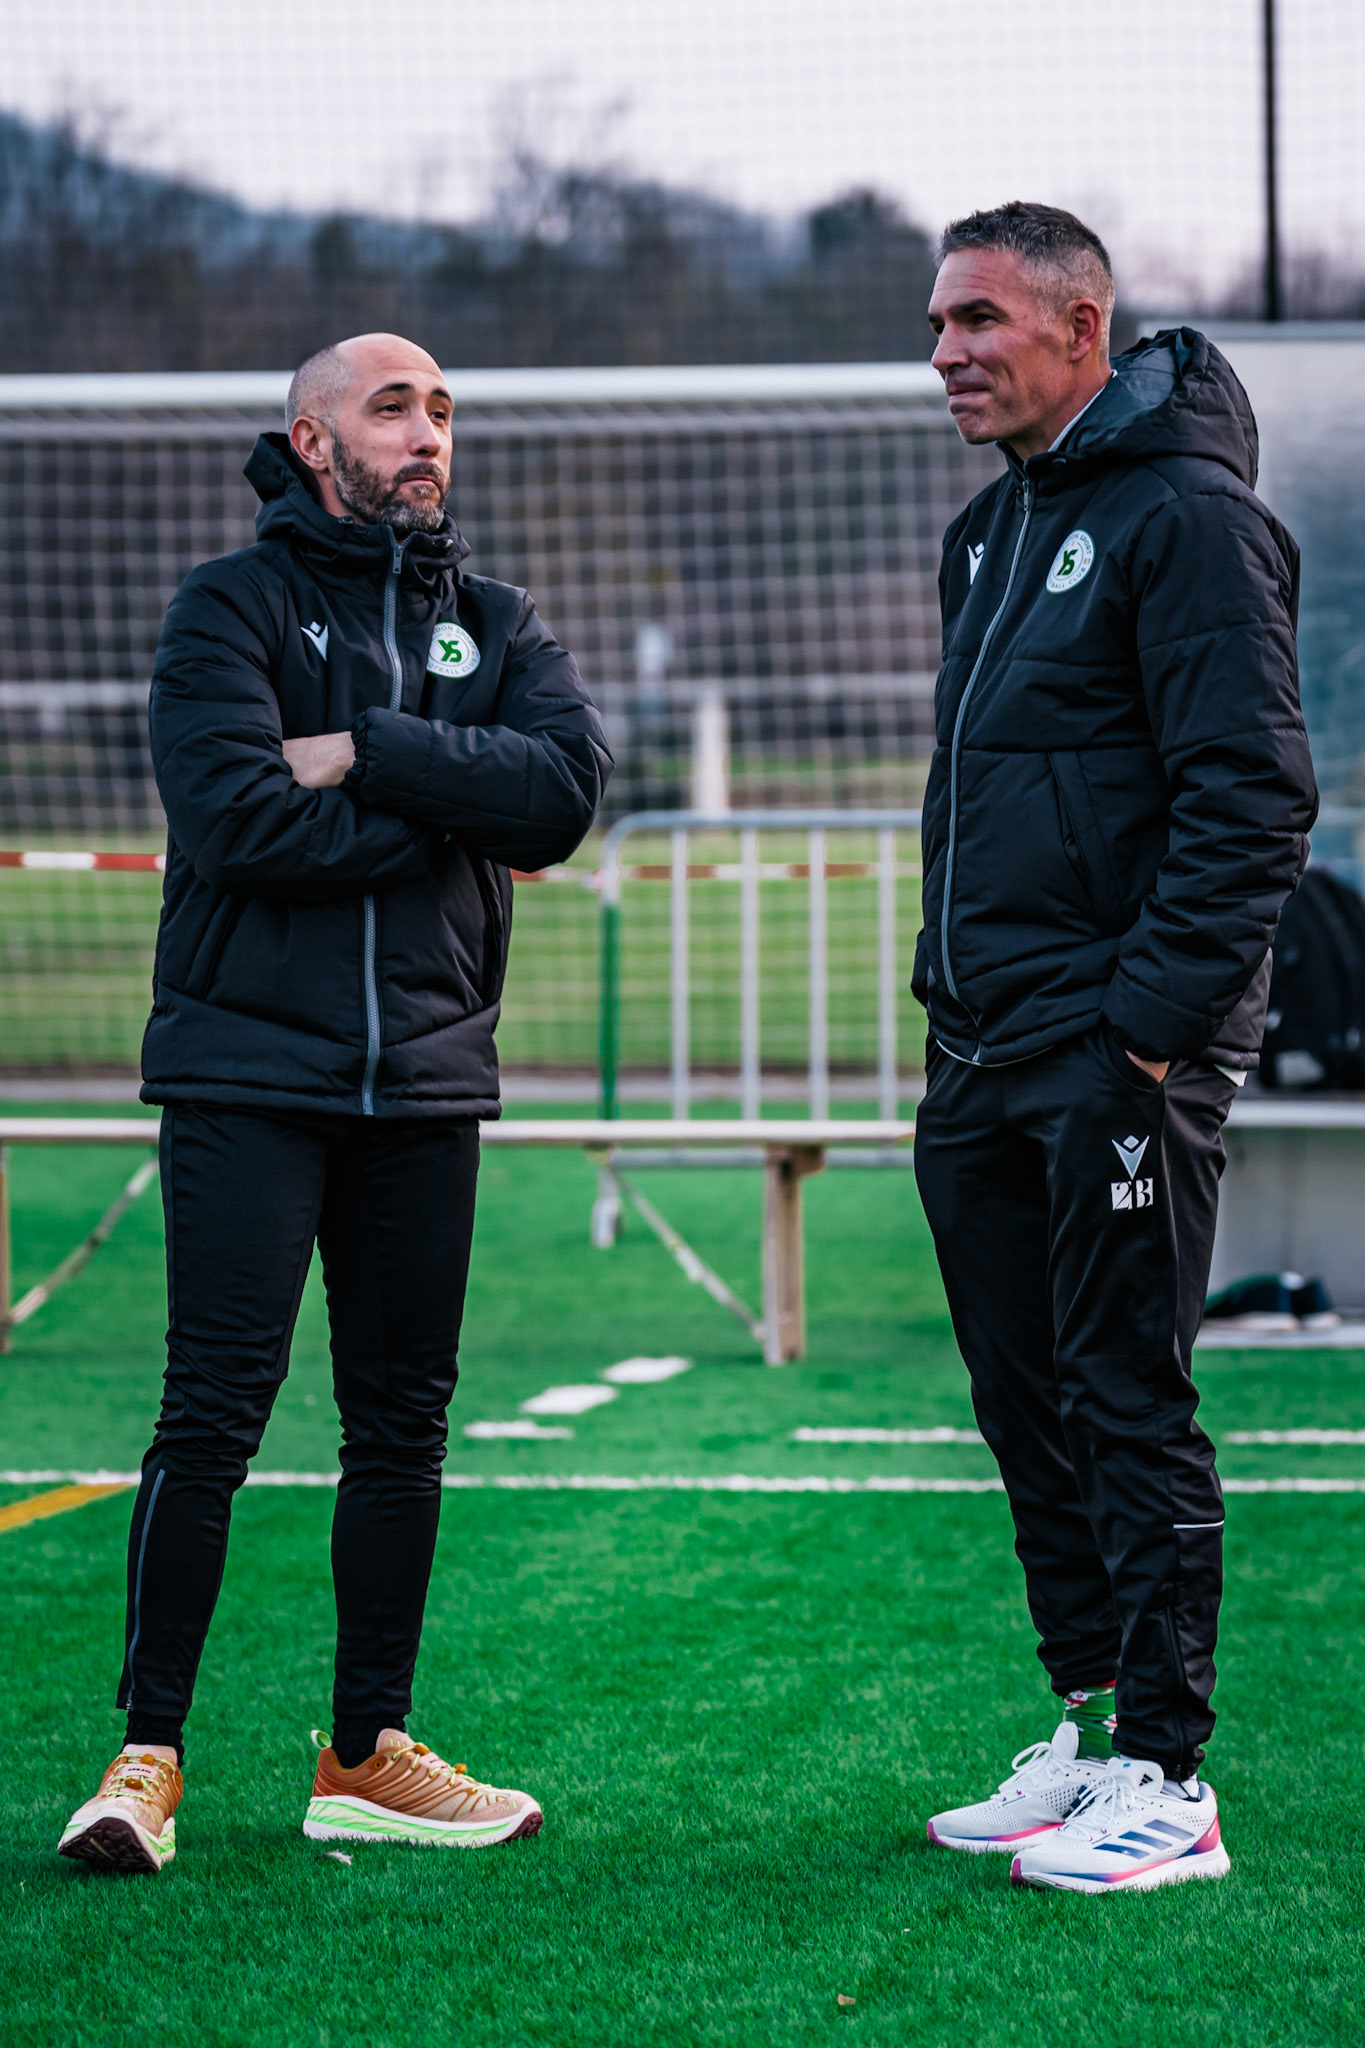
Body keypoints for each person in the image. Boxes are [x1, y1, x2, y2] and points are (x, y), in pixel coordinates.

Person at [58, 333, 611, 1874]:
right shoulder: (225, 608)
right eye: (393, 408)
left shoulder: (496, 620)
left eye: (442, 409)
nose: (427, 432)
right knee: (211, 1417)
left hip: (427, 1082)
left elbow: (563, 795)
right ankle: (144, 1756)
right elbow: (237, 824)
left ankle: (365, 1751)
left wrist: (367, 753)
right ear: (313, 440)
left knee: (401, 1429)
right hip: (246, 1069)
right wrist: (452, 808)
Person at [911, 205, 1317, 1893]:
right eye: (936, 324)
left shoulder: (1190, 522)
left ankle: (1171, 1775)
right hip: (983, 1048)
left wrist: (1145, 1035)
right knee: (1024, 1401)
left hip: (1115, 1054)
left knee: (1123, 1396)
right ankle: (1089, 1734)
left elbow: (1253, 800)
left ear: (1081, 328)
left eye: (978, 320)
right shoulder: (989, 532)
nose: (944, 352)